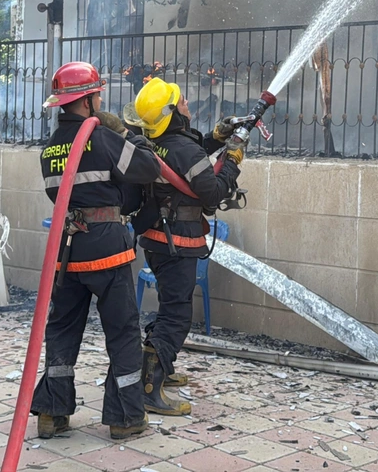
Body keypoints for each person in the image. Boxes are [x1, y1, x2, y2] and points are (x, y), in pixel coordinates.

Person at [32, 61, 161, 441]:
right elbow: (148, 168)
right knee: (121, 331)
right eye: (98, 96)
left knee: (62, 329)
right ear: (88, 100)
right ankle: (125, 417)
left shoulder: (49, 149)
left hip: (67, 250)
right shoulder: (102, 138)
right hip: (106, 249)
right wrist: (125, 133)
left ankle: (52, 412)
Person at [131, 77, 243, 416]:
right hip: (177, 241)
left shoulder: (154, 141)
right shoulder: (184, 149)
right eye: (181, 102)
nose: (187, 105)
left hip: (156, 240)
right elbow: (212, 192)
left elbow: (185, 157)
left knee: (169, 306)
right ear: (171, 113)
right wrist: (233, 159)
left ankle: (159, 366)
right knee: (177, 314)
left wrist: (217, 138)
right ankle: (149, 388)